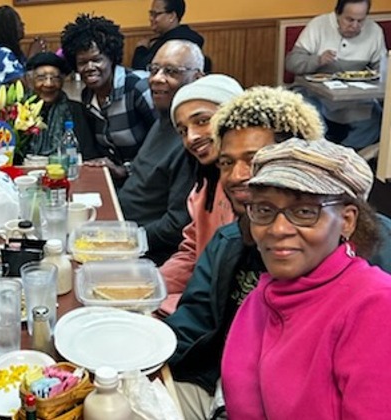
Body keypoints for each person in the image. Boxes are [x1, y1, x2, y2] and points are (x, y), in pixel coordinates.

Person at [164, 86, 391, 420]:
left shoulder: (373, 287)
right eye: (227, 162)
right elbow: (193, 326)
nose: (238, 176)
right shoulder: (249, 270)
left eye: (303, 211)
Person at [222, 138, 391, 417]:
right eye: (264, 210)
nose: (277, 229)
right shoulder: (262, 298)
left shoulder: (375, 306)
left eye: (304, 212)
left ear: (347, 220)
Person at [158, 74, 243, 315]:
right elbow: (193, 252)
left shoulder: (257, 190)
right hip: (204, 298)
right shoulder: (204, 189)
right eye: (183, 131)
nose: (192, 137)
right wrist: (150, 284)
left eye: (203, 120)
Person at [118, 40, 203, 265]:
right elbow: (147, 173)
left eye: (171, 71)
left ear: (197, 78)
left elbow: (176, 225)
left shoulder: (191, 141)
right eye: (154, 69)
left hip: (143, 252)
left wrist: (126, 240)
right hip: (120, 224)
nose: (157, 78)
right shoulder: (165, 118)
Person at [61, 14, 156, 183]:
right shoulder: (87, 97)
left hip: (148, 179)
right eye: (82, 62)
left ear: (111, 59)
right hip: (113, 180)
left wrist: (124, 170)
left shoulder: (138, 87)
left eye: (97, 60)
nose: (90, 67)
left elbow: (162, 145)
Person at [286, 0, 386, 149]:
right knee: (311, 118)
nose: (354, 26)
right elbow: (292, 62)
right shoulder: (318, 25)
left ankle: (348, 156)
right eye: (349, 19)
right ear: (337, 14)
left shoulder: (374, 31)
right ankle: (321, 156)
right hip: (314, 94)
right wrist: (318, 60)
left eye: (360, 21)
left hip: (353, 99)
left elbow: (381, 69)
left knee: (375, 119)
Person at [23, 52, 96, 158]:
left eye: (55, 78)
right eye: (41, 78)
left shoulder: (77, 111)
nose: (48, 84)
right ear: (30, 81)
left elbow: (88, 154)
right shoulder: (18, 112)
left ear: (62, 82)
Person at [132, 0, 206, 72]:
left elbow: (141, 70)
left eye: (156, 14)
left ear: (172, 16)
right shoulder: (164, 37)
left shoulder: (174, 41)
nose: (151, 18)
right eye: (151, 13)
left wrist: (141, 49)